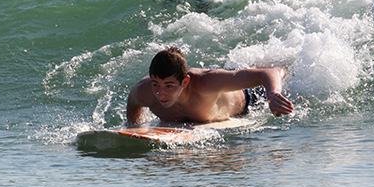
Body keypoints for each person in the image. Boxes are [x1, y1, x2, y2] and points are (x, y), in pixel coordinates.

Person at [126, 47, 294, 125]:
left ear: (185, 82)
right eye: (156, 85)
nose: (160, 93)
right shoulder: (144, 90)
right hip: (218, 84)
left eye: (169, 86)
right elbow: (133, 102)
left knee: (277, 71)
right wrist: (136, 126)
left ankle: (289, 66)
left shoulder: (206, 83)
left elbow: (266, 73)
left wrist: (273, 94)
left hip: (249, 97)